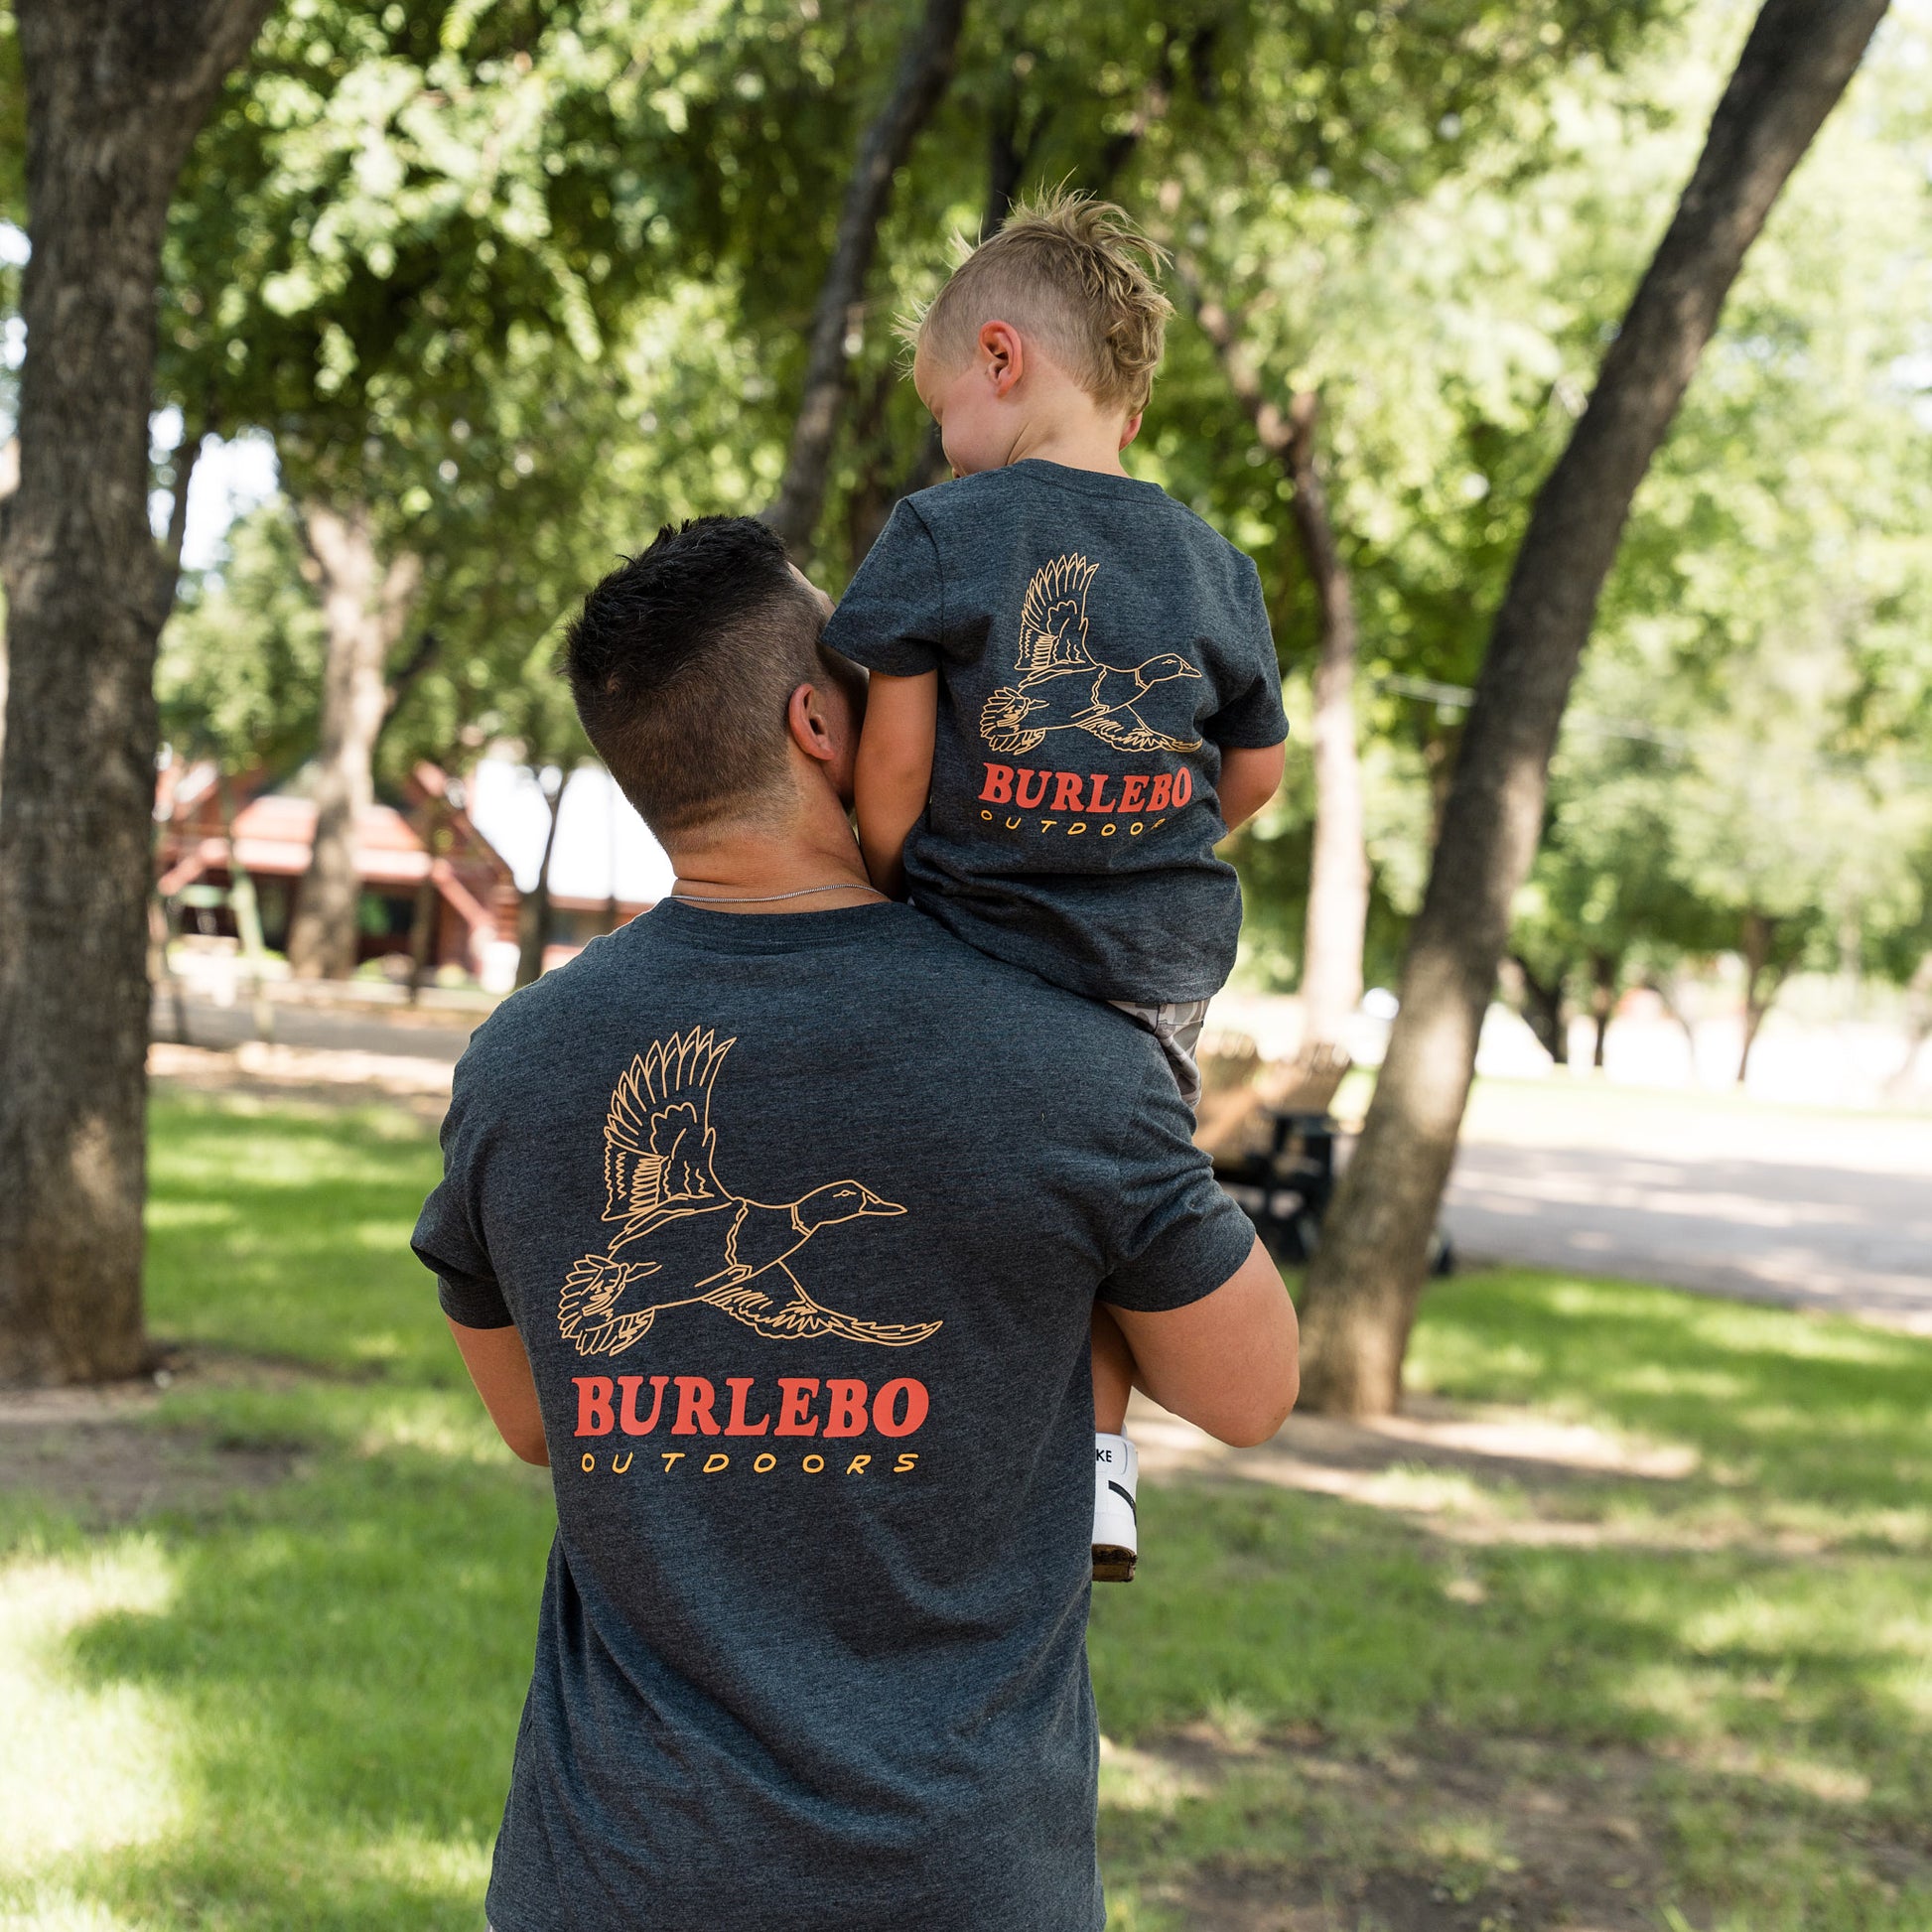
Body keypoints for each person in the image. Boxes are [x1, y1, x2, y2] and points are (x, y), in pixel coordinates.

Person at [412, 514, 1299, 1932]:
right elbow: (1250, 1391)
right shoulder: (1066, 1062)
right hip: (954, 1881)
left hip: (612, 1875)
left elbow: (536, 1420)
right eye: (884, 677)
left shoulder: (519, 1065)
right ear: (818, 723)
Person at [822, 191, 1289, 1580]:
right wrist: (1150, 831)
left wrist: (878, 882)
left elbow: (895, 766)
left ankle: (928, 1429)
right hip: (1154, 974)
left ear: (1000, 358)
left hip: (978, 947)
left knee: (925, 1175)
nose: (942, 442)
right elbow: (1257, 773)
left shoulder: (941, 531)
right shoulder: (1215, 565)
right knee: (1098, 1210)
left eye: (940, 408)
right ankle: (1097, 1471)